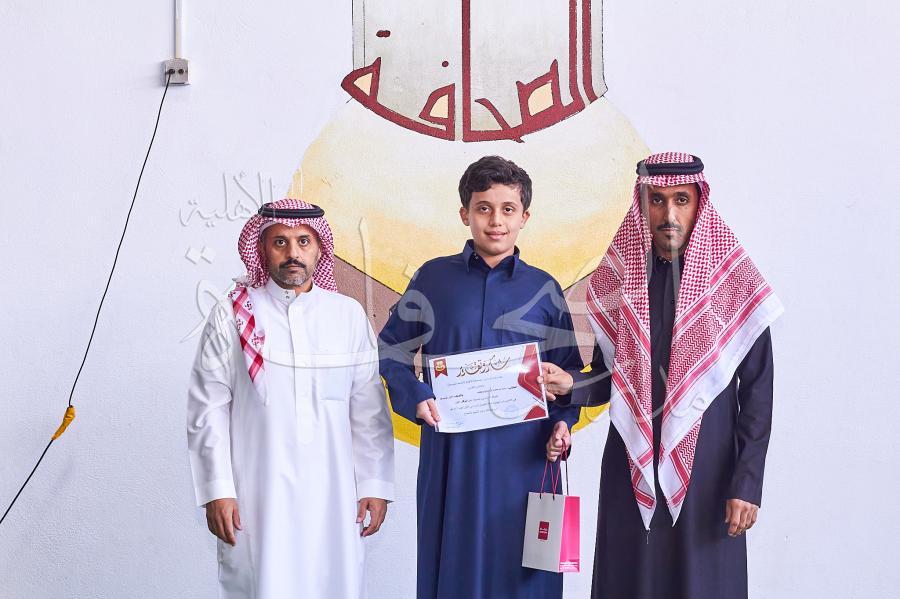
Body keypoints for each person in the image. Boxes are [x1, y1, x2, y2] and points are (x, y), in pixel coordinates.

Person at [540, 152, 783, 598]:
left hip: (709, 469)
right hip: (630, 460)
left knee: (703, 584)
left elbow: (758, 391)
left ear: (699, 203)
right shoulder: (621, 281)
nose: (668, 214)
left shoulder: (732, 282)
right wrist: (574, 385)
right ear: (642, 204)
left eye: (681, 200)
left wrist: (746, 482)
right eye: (657, 200)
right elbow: (612, 378)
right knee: (631, 581)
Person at [378, 156, 582, 598]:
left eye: (508, 209)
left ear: (525, 217)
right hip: (453, 457)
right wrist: (415, 393)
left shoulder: (544, 289)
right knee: (455, 568)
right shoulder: (433, 279)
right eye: (483, 208)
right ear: (464, 213)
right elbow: (391, 349)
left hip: (527, 460)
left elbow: (568, 374)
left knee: (527, 575)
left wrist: (563, 425)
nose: (496, 221)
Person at [187, 199, 395, 599]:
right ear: (263, 249)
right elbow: (207, 408)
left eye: (303, 241)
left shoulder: (347, 315)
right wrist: (217, 488)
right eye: (280, 242)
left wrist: (374, 483)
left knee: (334, 585)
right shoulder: (232, 314)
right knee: (263, 584)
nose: (292, 252)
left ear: (320, 249)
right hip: (257, 491)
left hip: (335, 494)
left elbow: (367, 408)